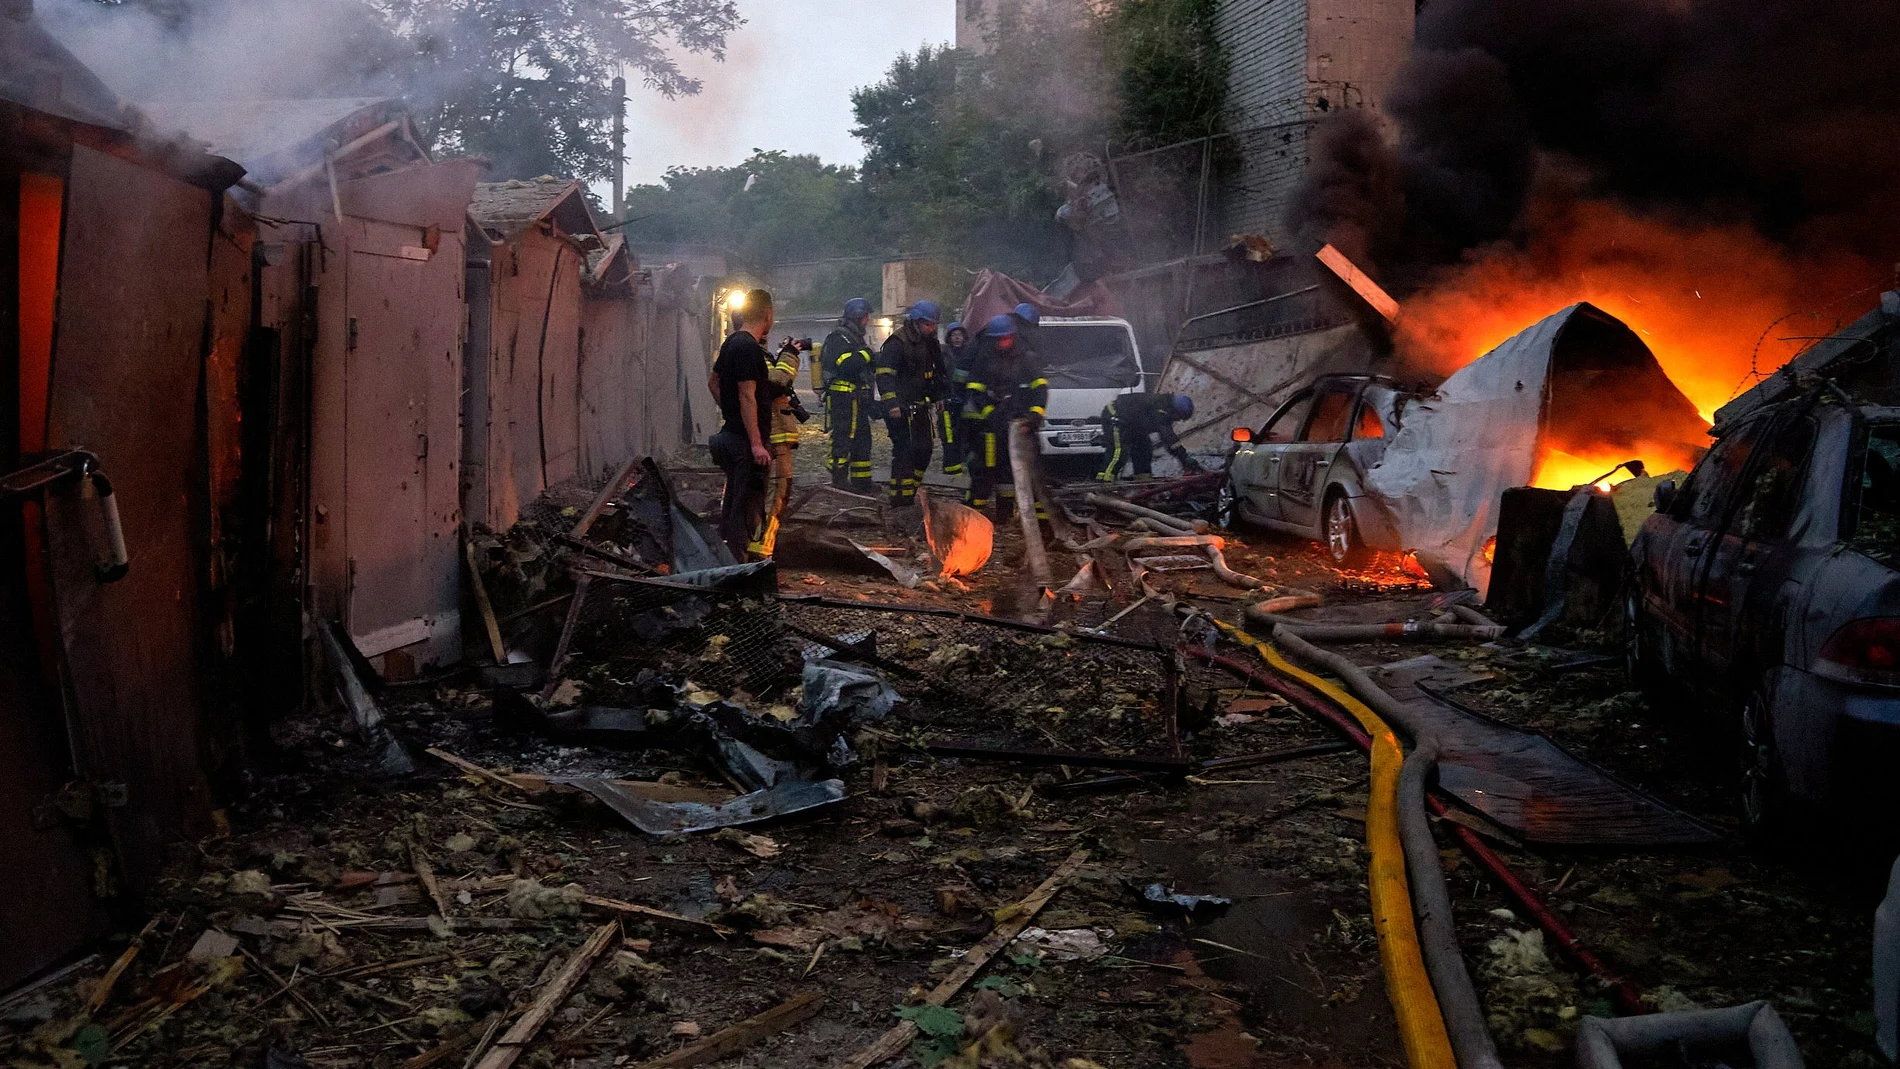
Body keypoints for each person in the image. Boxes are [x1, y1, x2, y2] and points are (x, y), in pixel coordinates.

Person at [708, 288, 775, 560]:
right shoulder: (749, 348)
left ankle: (727, 558)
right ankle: (738, 564)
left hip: (730, 436)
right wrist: (757, 444)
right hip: (744, 444)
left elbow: (712, 382)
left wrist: (731, 413)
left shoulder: (731, 342)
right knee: (746, 508)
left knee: (733, 503)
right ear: (767, 315)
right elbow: (747, 395)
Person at [962, 313, 1049, 517]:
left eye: (1007, 338)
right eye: (999, 338)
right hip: (991, 429)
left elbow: (1040, 391)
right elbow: (975, 391)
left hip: (1022, 426)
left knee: (1028, 472)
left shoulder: (1027, 359)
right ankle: (973, 516)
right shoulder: (984, 359)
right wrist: (991, 414)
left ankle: (1012, 515)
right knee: (986, 470)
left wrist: (1033, 417)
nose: (1004, 342)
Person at [876, 300, 947, 507]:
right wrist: (892, 404)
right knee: (904, 451)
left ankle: (911, 489)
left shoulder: (931, 342)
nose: (931, 328)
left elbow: (937, 373)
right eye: (927, 324)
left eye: (934, 325)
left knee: (925, 450)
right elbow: (884, 375)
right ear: (915, 322)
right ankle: (899, 499)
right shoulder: (897, 343)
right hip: (901, 407)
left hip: (921, 406)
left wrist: (939, 396)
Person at [752, 335, 812, 557]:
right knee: (776, 493)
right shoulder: (754, 352)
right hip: (774, 436)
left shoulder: (750, 352)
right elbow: (777, 382)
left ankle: (755, 547)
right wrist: (790, 354)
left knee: (766, 494)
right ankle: (760, 554)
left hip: (769, 435)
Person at [822, 297, 876, 492]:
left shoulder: (854, 338)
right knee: (843, 439)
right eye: (865, 317)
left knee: (863, 440)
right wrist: (868, 354)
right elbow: (846, 365)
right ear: (857, 317)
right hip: (843, 399)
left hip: (857, 399)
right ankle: (839, 480)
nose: (867, 321)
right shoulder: (838, 338)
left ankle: (862, 483)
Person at [1096, 393, 1203, 481]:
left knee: (1144, 448)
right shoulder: (1161, 410)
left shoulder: (1163, 408)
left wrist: (1183, 458)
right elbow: (1168, 438)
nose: (1177, 420)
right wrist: (1185, 459)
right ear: (1175, 411)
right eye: (1179, 417)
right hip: (1115, 417)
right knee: (1119, 452)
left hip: (1133, 423)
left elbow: (1168, 437)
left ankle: (1143, 481)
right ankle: (1104, 483)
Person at [939, 321, 972, 476]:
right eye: (954, 335)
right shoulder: (943, 354)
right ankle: (950, 470)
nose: (957, 338)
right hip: (946, 402)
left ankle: (963, 466)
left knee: (964, 436)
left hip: (966, 402)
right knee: (948, 436)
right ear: (949, 338)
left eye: (959, 335)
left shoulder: (970, 354)